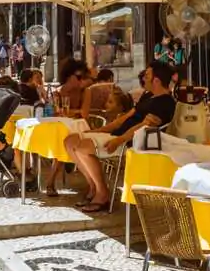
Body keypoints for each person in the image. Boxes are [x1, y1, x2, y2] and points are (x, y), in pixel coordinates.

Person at [65, 61, 178, 212]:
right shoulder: (148, 95)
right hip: (118, 135)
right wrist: (101, 130)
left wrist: (120, 139)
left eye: (147, 75)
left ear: (156, 80)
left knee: (82, 147)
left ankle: (102, 193)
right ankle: (93, 187)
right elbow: (125, 117)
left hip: (130, 142)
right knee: (69, 140)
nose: (143, 78)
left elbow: (144, 126)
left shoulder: (165, 103)